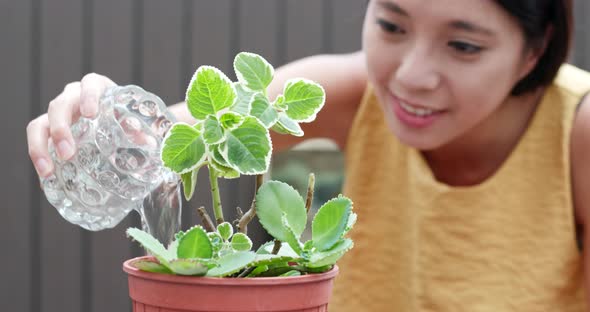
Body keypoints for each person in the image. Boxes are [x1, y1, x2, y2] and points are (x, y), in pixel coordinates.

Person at [26, 0, 590, 310]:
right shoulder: (352, 94)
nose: (411, 76)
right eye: (392, 25)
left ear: (533, 51)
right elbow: (170, 136)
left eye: (463, 45)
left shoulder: (578, 130)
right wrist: (101, 112)